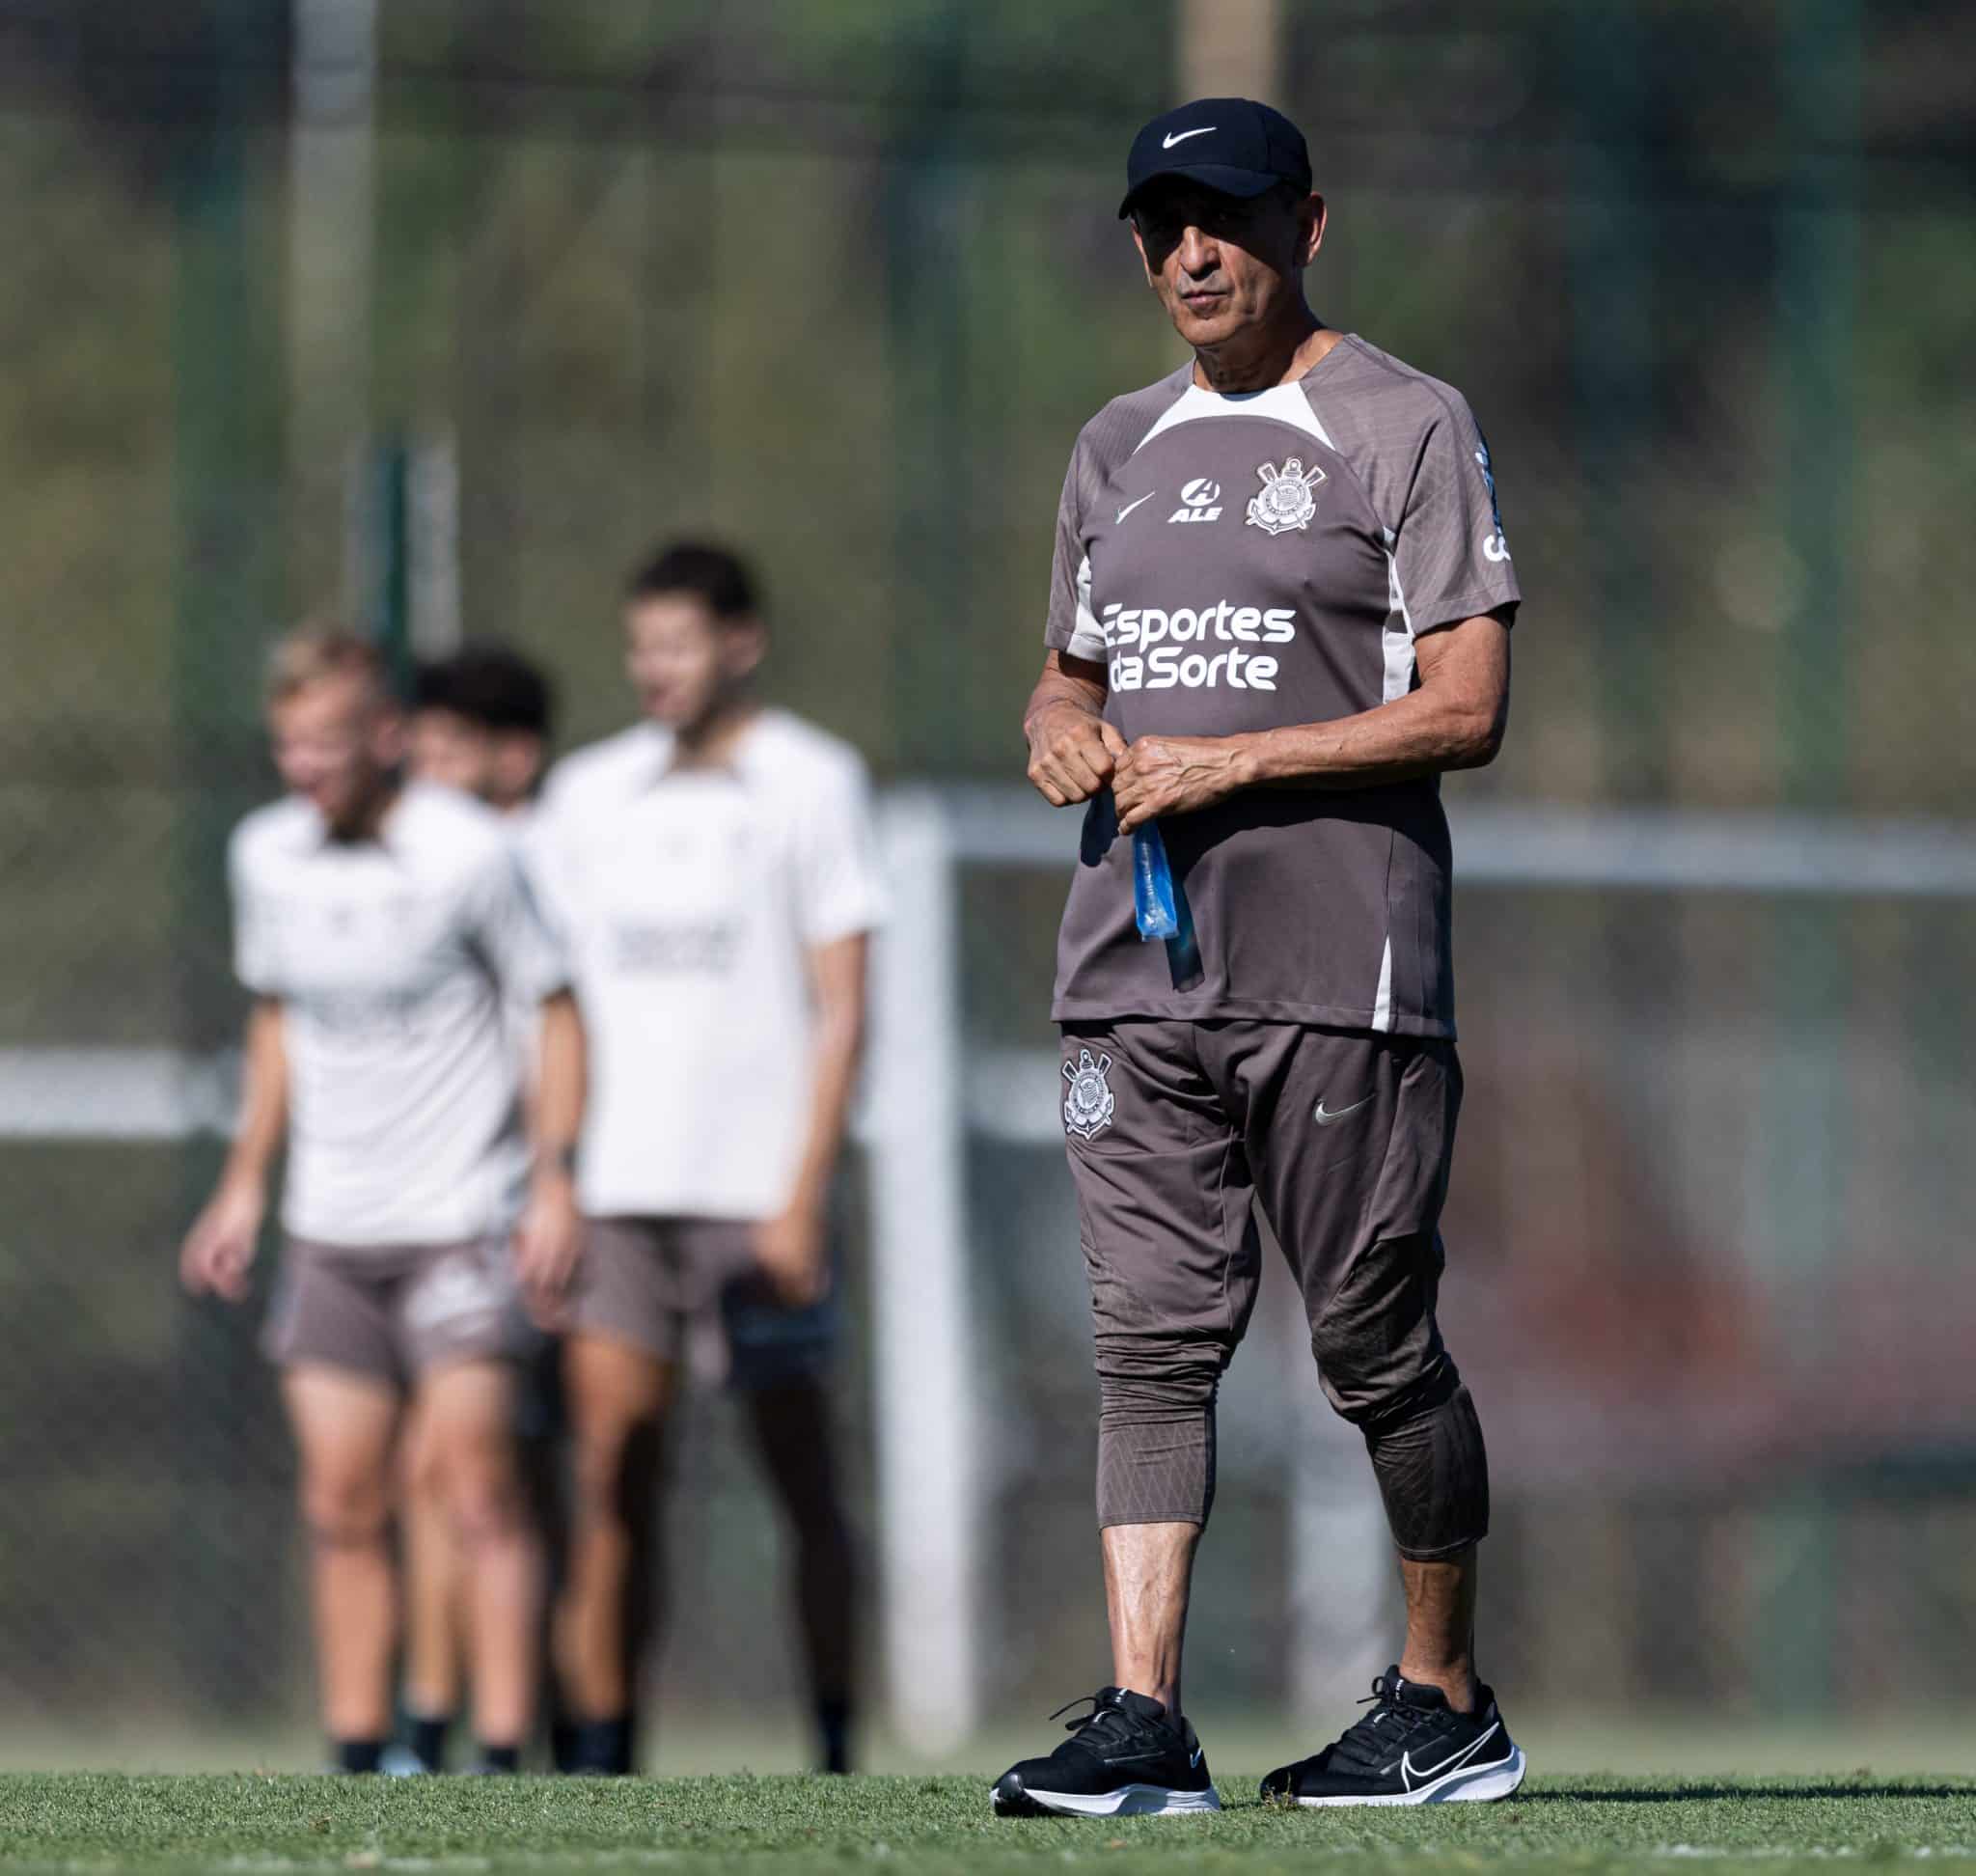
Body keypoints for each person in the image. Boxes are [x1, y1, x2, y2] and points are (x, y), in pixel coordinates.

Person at [993, 98, 1524, 1817]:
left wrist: (1235, 760)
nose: (1188, 254)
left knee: (1370, 1339)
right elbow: (1070, 670)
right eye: (1158, 225)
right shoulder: (1111, 443)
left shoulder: (1404, 423)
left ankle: (1439, 1699)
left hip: (1337, 968)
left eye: (1220, 218)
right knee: (1146, 1341)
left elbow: (1467, 705)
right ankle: (1143, 1713)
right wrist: (1057, 723)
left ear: (1307, 224)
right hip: (1129, 963)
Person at [178, 626, 587, 1775]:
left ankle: (501, 1757)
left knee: (476, 1489)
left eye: (326, 743)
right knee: (341, 1503)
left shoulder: (466, 853)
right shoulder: (266, 856)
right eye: (287, 745)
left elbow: (553, 1010)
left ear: (386, 739)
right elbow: (275, 1025)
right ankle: (360, 1759)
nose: (303, 766)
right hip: (331, 1231)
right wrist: (240, 1189)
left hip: (460, 1221)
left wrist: (550, 1180)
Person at [528, 542, 882, 1777]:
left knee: (801, 1482)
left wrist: (801, 1195)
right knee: (613, 1477)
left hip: (754, 1200)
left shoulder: (813, 781)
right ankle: (602, 1753)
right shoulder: (585, 794)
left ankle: (834, 1742)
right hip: (621, 1198)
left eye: (677, 645)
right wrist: (556, 1177)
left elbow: (842, 1005)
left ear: (741, 641)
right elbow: (557, 1004)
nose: (654, 671)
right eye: (640, 648)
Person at [392, 641, 561, 1774]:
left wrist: (553, 1180)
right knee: (439, 1474)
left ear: (513, 757)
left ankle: (493, 1730)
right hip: (435, 1206)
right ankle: (434, 1718)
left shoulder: (522, 863)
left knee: (483, 1480)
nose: (423, 768)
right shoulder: (423, 865)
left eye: (450, 748)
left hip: (510, 1208)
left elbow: (559, 1040)